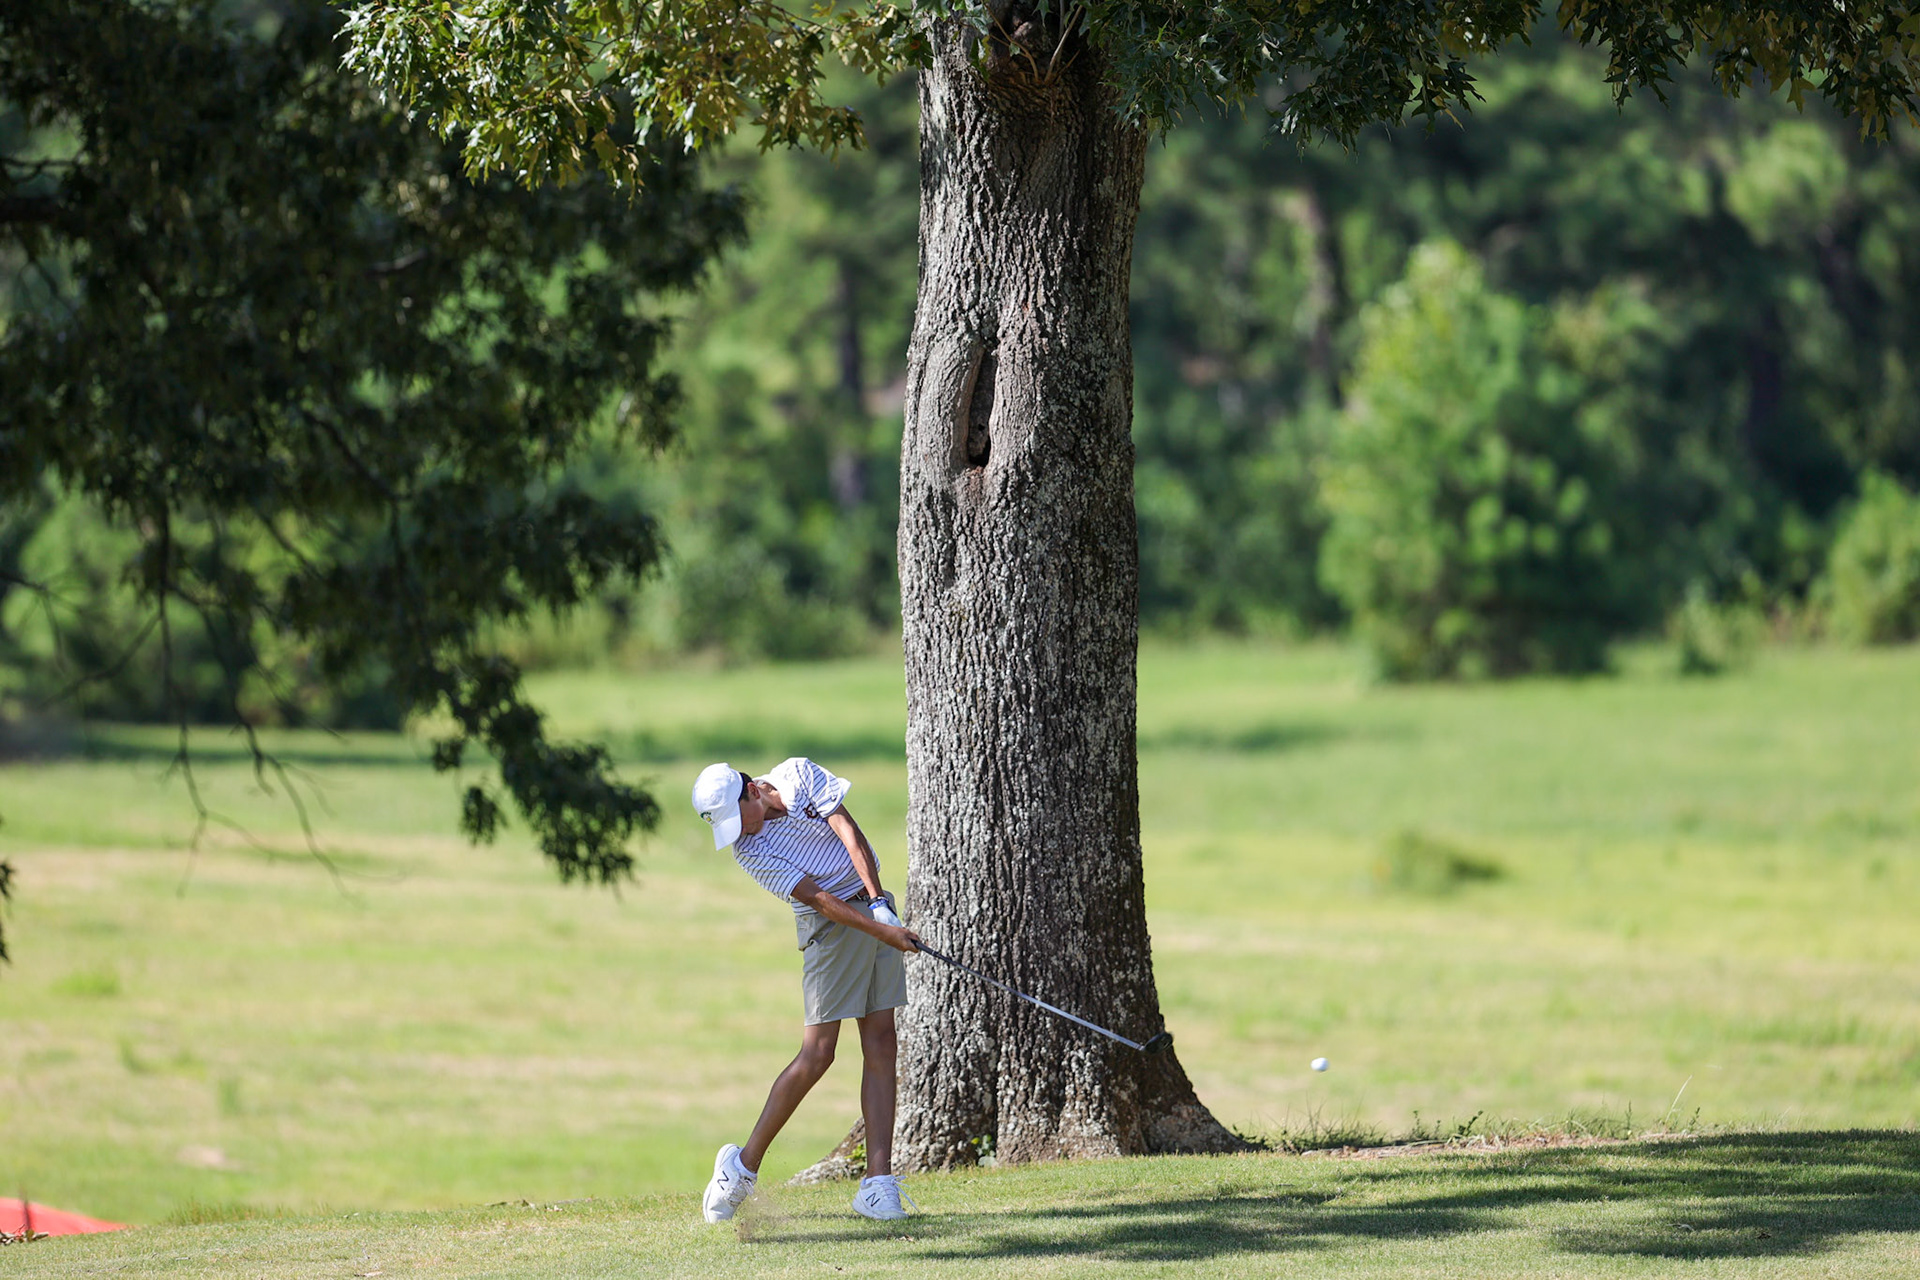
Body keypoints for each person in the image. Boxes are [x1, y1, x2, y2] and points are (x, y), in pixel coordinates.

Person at [689, 758, 923, 1224]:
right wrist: (884, 932)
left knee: (881, 1041)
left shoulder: (799, 774)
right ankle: (741, 1167)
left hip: (871, 909)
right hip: (831, 928)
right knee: (819, 1053)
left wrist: (881, 906)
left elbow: (849, 832)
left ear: (753, 790)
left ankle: (877, 1184)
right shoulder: (749, 851)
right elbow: (821, 902)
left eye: (739, 819)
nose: (740, 832)